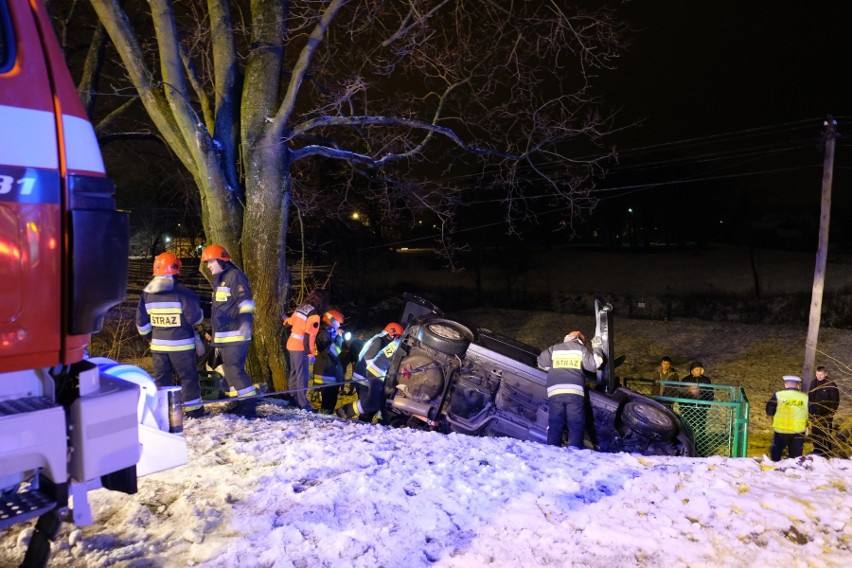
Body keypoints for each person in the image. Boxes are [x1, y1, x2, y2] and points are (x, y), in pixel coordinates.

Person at [136, 252, 207, 418]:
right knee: (188, 377)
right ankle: (194, 410)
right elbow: (195, 318)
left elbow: (141, 323)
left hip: (158, 346)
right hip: (182, 345)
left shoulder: (147, 294)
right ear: (176, 270)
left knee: (162, 378)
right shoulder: (183, 292)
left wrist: (150, 338)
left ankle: (163, 410)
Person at [200, 244, 258, 418]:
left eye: (211, 262)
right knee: (230, 369)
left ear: (221, 260)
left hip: (235, 334)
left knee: (234, 369)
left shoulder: (235, 276)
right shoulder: (221, 280)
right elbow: (222, 309)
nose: (208, 266)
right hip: (225, 336)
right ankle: (239, 402)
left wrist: (246, 322)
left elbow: (245, 301)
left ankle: (248, 405)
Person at [537, 331, 604, 449]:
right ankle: (574, 449)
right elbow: (594, 364)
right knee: (575, 423)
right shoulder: (580, 350)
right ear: (580, 340)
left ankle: (552, 449)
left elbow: (541, 363)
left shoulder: (554, 349)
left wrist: (553, 368)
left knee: (555, 423)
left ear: (567, 338)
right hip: (574, 391)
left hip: (555, 391)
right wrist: (597, 348)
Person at [337, 322, 404, 422]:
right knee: (369, 404)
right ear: (391, 333)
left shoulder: (379, 339)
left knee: (371, 404)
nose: (397, 339)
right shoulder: (379, 341)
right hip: (364, 377)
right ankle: (347, 413)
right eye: (397, 336)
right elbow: (369, 358)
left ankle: (357, 417)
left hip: (364, 376)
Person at [283, 289, 329, 412]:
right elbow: (309, 337)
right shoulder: (314, 315)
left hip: (291, 344)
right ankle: (303, 404)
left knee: (294, 373)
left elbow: (290, 322)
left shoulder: (301, 307)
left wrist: (284, 319)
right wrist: (311, 354)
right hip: (300, 348)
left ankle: (292, 398)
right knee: (301, 376)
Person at [766, 375, 809, 461]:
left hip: (781, 429)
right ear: (798, 386)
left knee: (776, 454)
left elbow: (769, 411)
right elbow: (812, 412)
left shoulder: (778, 395)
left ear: (786, 384)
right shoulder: (805, 397)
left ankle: (775, 470)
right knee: (796, 458)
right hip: (798, 430)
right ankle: (793, 472)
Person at [313, 310, 346, 414]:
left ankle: (325, 419)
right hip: (326, 374)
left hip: (331, 373)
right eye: (338, 323)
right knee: (328, 403)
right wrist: (339, 338)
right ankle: (323, 422)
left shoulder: (329, 333)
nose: (338, 326)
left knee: (331, 402)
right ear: (332, 320)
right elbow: (333, 352)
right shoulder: (323, 334)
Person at [680, 361, 713, 450]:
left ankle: (701, 445)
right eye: (696, 369)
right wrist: (683, 405)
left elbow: (710, 392)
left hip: (702, 407)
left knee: (701, 426)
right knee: (689, 426)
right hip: (689, 408)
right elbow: (681, 393)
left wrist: (707, 404)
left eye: (700, 369)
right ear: (692, 371)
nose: (698, 371)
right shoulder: (686, 380)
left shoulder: (706, 380)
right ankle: (688, 444)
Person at [808, 366, 840, 456]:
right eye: (817, 374)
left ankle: (827, 451)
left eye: (821, 374)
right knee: (815, 433)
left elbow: (835, 401)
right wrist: (810, 412)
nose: (819, 376)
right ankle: (817, 450)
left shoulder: (830, 384)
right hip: (814, 414)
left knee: (825, 433)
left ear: (825, 374)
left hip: (826, 415)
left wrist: (831, 413)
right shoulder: (813, 382)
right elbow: (810, 397)